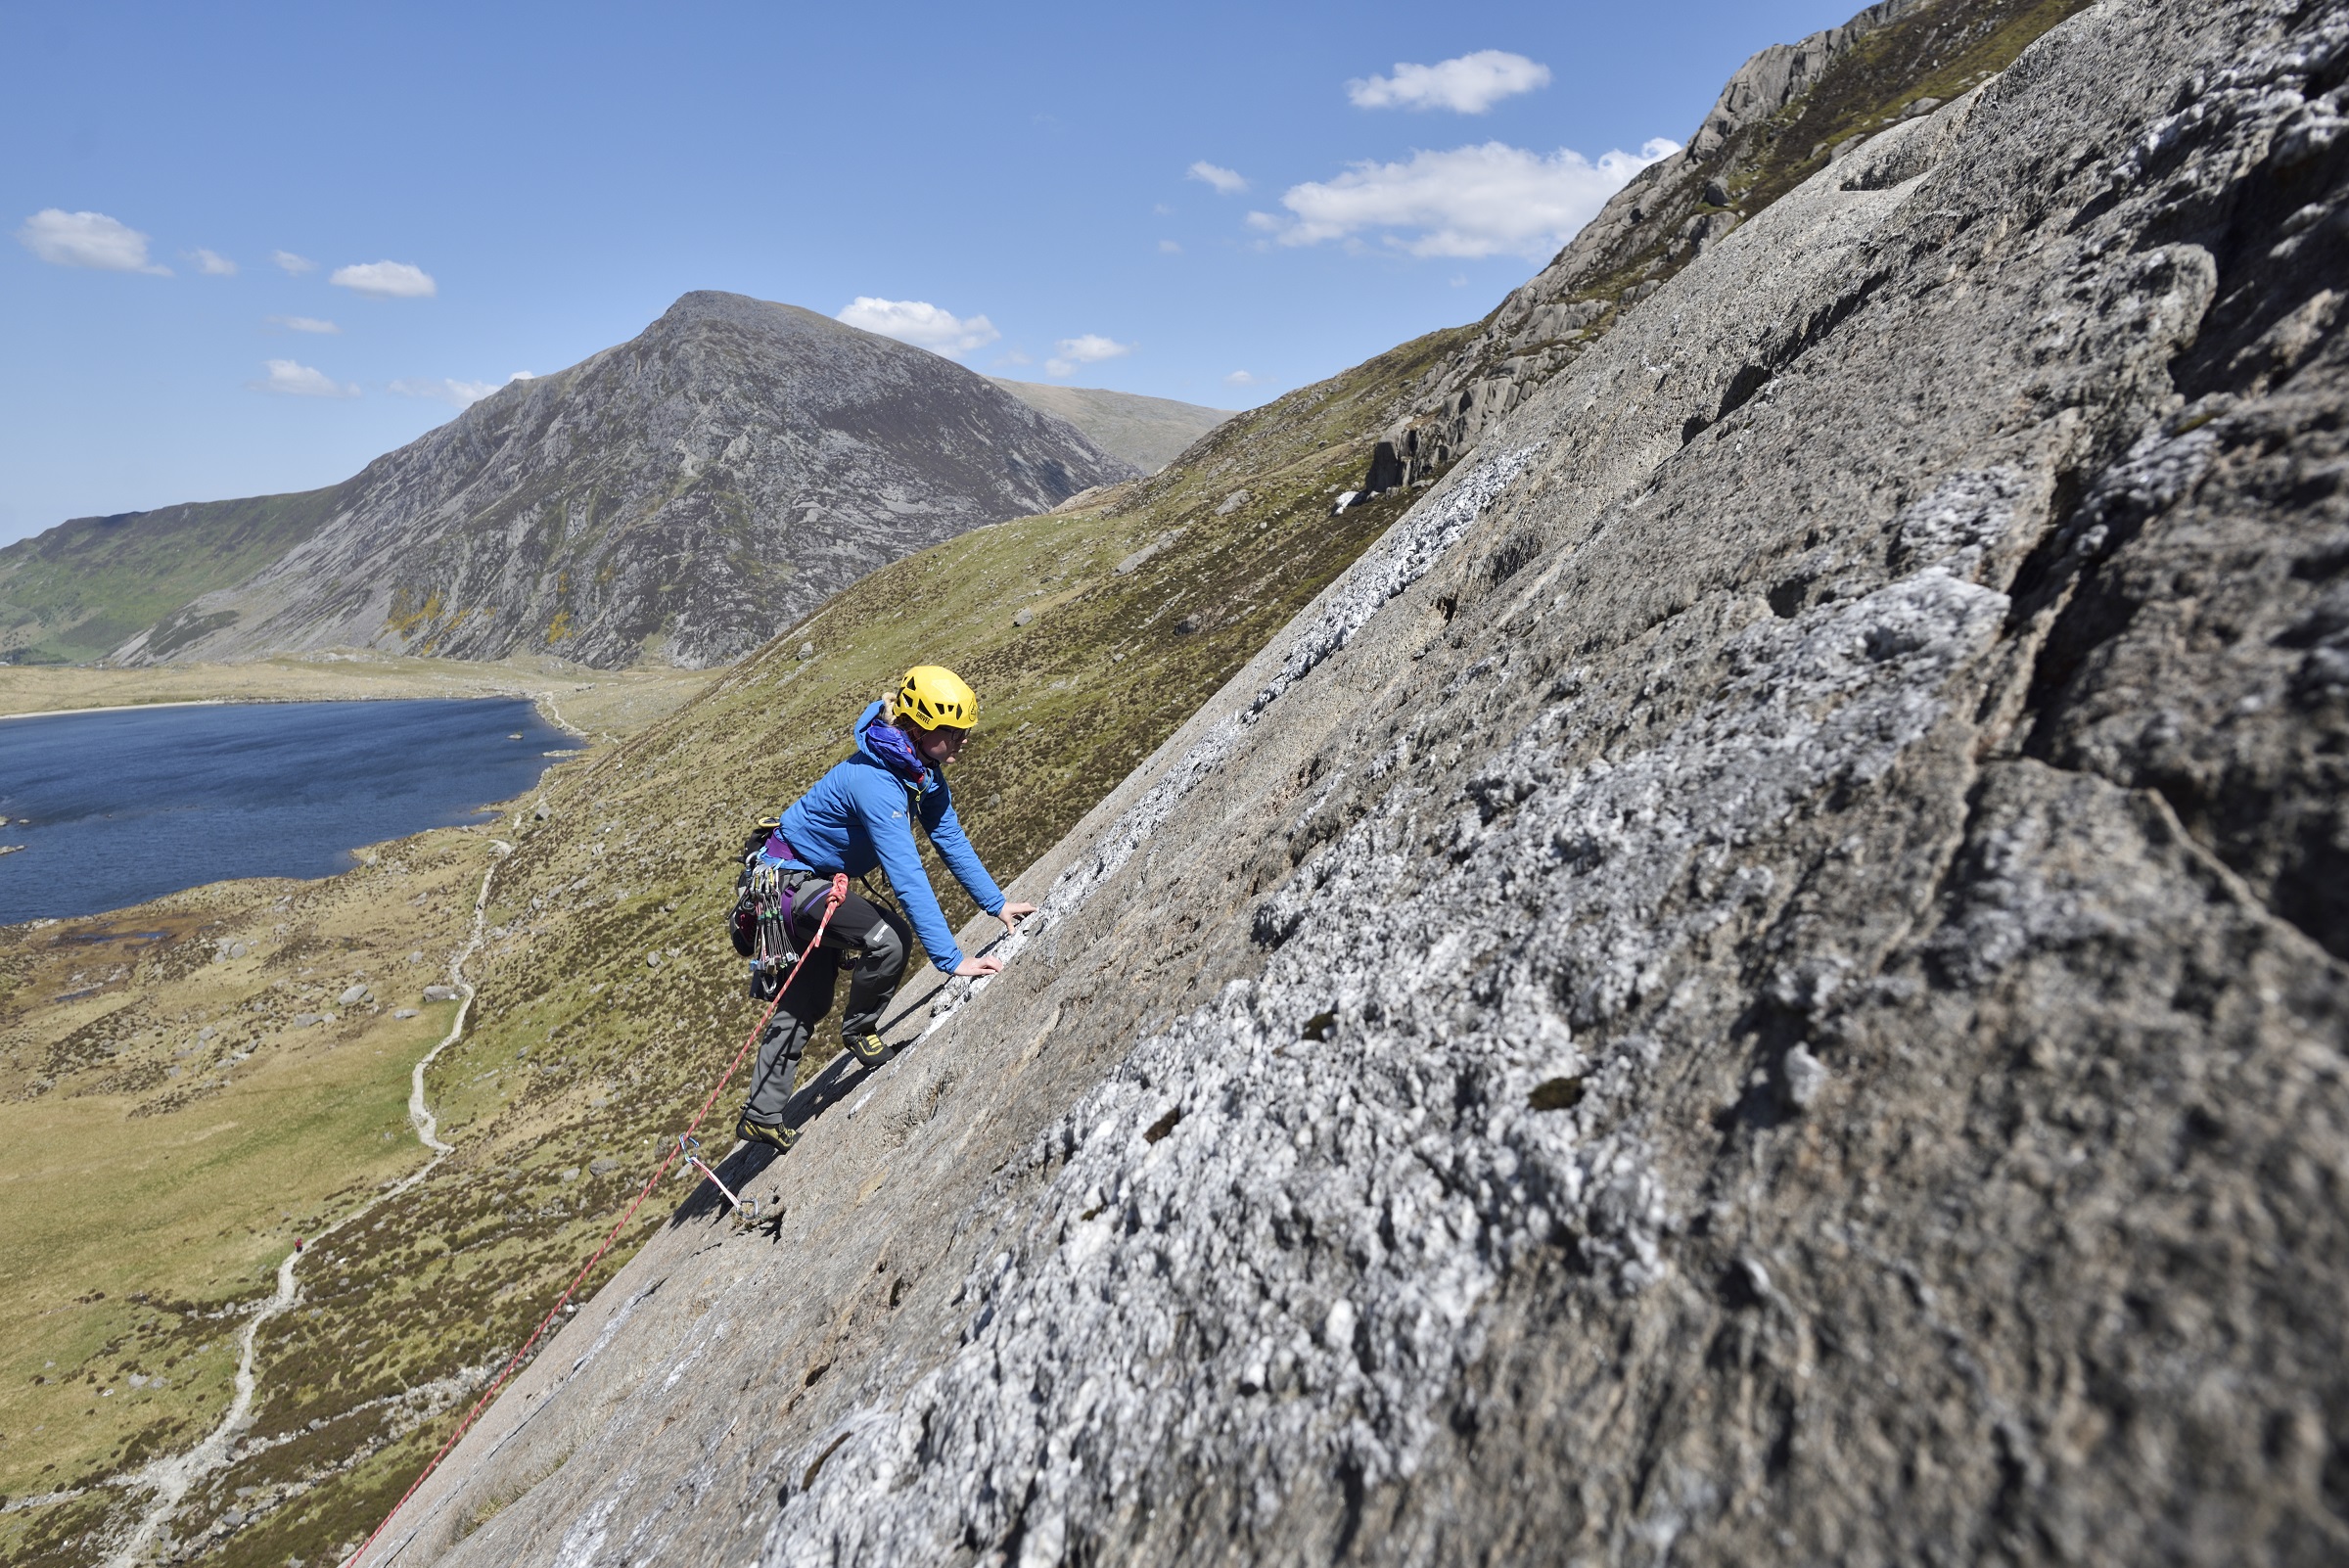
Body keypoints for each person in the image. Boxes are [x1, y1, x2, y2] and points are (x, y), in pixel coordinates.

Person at [735, 665, 1036, 1152]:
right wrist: (951, 960)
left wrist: (996, 904)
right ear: (917, 729)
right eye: (951, 733)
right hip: (788, 884)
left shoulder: (921, 772)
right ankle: (858, 1031)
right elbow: (908, 873)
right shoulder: (877, 783)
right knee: (888, 938)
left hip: (797, 882)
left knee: (808, 997)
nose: (961, 742)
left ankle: (761, 1113)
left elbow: (948, 837)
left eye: (963, 733)